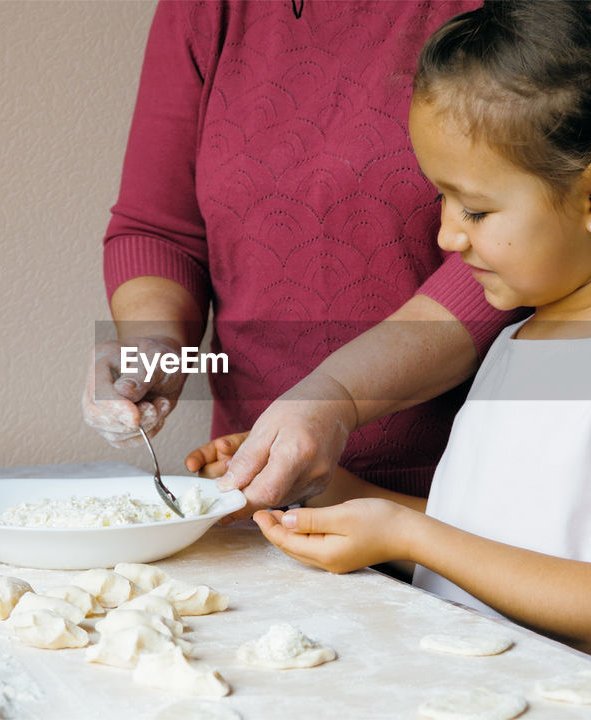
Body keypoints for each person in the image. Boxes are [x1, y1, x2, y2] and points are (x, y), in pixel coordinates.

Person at [190, 0, 591, 676]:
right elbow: (489, 542)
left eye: (477, 210)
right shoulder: (523, 334)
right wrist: (332, 492)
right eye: (444, 202)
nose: (448, 238)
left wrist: (404, 534)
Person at [82, 0, 523, 519]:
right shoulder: (205, 9)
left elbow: (525, 244)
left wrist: (335, 399)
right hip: (253, 491)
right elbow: (161, 226)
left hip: (455, 503)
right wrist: (153, 347)